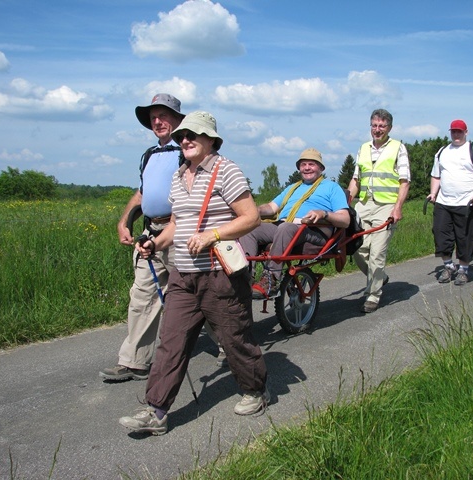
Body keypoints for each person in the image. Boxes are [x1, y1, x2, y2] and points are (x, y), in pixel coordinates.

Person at [119, 111, 268, 435]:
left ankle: (255, 391)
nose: (185, 140)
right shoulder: (178, 176)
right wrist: (155, 244)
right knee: (171, 342)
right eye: (182, 136)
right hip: (182, 275)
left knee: (235, 339)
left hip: (220, 275)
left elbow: (251, 217)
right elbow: (176, 224)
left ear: (211, 140)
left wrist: (212, 235)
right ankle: (156, 411)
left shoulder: (226, 170)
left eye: (193, 135)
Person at [99, 94, 184, 382]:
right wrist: (124, 221)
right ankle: (134, 361)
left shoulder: (189, 150)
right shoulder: (149, 155)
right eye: (153, 118)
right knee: (142, 297)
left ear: (178, 118)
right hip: (151, 234)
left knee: (197, 294)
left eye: (163, 115)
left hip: (182, 233)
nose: (158, 122)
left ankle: (227, 346)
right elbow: (142, 194)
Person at [241, 148, 350, 299]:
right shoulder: (293, 188)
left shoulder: (331, 187)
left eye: (312, 164)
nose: (307, 168)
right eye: (303, 164)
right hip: (285, 227)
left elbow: (345, 220)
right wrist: (255, 210)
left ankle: (271, 279)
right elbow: (272, 208)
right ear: (299, 168)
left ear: (321, 168)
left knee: (286, 227)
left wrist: (323, 213)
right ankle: (244, 277)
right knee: (249, 229)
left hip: (313, 230)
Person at [347, 109, 410, 313]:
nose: (377, 129)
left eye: (382, 126)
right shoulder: (363, 148)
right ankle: (379, 277)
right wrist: (346, 200)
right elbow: (356, 179)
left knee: (377, 253)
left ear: (389, 128)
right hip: (364, 205)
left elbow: (404, 181)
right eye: (374, 125)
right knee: (356, 248)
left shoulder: (398, 148)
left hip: (386, 206)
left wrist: (397, 208)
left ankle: (372, 295)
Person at [426, 119, 473, 285]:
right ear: (450, 132)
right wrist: (433, 193)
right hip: (444, 202)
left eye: (459, 131)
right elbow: (436, 175)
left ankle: (463, 269)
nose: (456, 134)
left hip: (467, 203)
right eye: (453, 131)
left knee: (465, 237)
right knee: (440, 234)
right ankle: (448, 266)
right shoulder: (442, 151)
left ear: (466, 132)